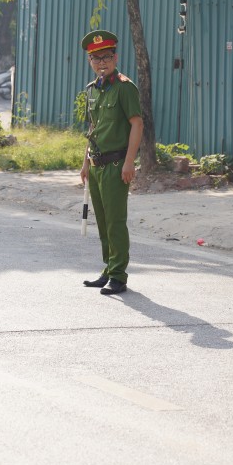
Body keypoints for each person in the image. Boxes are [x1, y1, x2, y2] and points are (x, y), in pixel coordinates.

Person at [78, 30, 143, 296]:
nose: (101, 63)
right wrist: (85, 163)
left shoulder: (125, 88)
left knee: (116, 221)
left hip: (117, 165)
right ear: (90, 61)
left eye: (106, 57)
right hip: (96, 165)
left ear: (115, 57)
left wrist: (130, 163)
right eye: (96, 58)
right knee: (103, 221)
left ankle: (119, 275)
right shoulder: (92, 91)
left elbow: (137, 124)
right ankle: (109, 267)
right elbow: (93, 127)